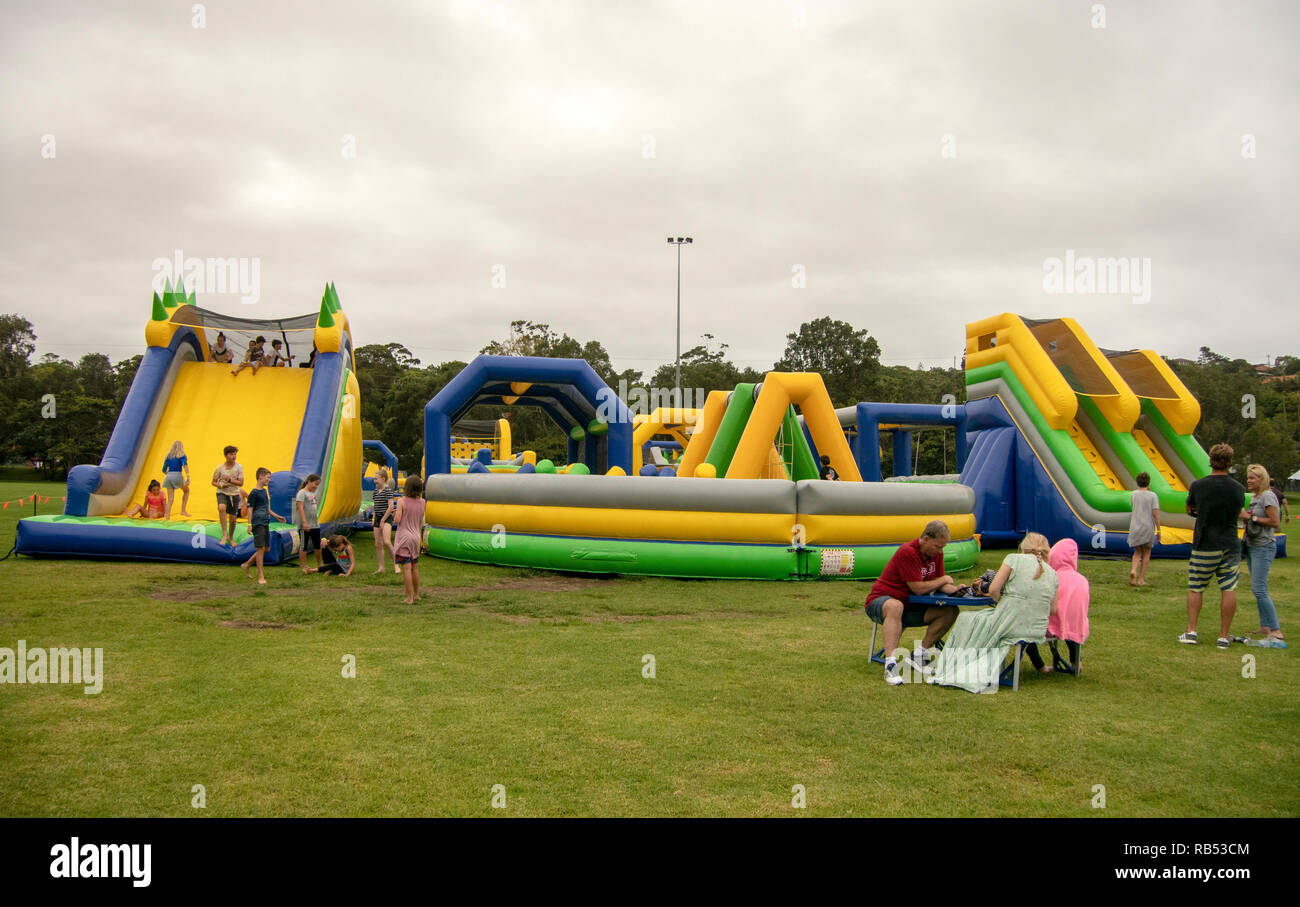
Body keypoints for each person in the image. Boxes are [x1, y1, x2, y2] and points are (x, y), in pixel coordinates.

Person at [930, 533, 1059, 693]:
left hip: (1010, 623)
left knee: (966, 617)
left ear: (1023, 547)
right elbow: (1053, 610)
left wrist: (1001, 603)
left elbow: (993, 589)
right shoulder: (1053, 573)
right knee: (982, 618)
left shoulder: (1013, 559)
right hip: (1036, 627)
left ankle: (954, 664)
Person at [864, 520, 965, 685]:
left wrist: (955, 589)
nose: (940, 551)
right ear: (925, 538)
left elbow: (939, 582)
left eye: (942, 547)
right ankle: (890, 666)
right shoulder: (907, 552)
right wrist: (944, 580)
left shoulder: (936, 555)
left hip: (910, 606)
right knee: (896, 606)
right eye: (937, 546)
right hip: (880, 602)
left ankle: (919, 655)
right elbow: (918, 588)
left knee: (950, 610)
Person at [1179, 443, 1246, 649]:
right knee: (1228, 589)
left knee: (1196, 588)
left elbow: (1190, 509)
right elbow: (1238, 511)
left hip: (1205, 542)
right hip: (1229, 543)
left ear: (1211, 460)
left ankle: (1191, 631)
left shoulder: (1198, 486)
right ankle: (1223, 636)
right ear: (1230, 462)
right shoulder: (1238, 488)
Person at [1024, 538, 1089, 674]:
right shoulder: (1082, 580)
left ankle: (1040, 665)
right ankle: (1076, 661)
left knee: (1023, 628)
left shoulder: (1052, 577)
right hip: (1077, 625)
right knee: (1069, 624)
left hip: (1049, 626)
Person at [1241, 464, 1283, 641]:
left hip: (1264, 546)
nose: (1248, 481)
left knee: (1259, 589)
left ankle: (1276, 630)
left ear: (1261, 479)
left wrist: (1252, 518)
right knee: (1257, 588)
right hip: (1252, 544)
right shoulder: (1255, 497)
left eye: (1252, 478)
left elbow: (1275, 522)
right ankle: (1265, 626)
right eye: (1248, 477)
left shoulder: (1268, 496)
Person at [240, 467, 285, 585]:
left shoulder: (264, 492)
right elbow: (250, 509)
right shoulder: (254, 493)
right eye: (268, 477)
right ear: (260, 476)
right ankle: (261, 576)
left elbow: (267, 508)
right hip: (258, 522)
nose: (269, 480)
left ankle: (246, 565)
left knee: (266, 549)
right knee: (260, 549)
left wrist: (277, 516)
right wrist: (249, 524)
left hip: (265, 521)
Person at [393, 475, 425, 604]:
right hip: (416, 537)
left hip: (404, 537)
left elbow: (397, 520)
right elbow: (420, 520)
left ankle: (409, 597)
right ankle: (416, 594)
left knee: (406, 568)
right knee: (415, 567)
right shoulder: (422, 502)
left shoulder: (402, 501)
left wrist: (396, 512)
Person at [1128, 472, 1160, 586]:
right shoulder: (1153, 495)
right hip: (1147, 527)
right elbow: (1155, 514)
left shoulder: (1133, 494)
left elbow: (1133, 506)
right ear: (1148, 482)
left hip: (1135, 526)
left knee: (1137, 552)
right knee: (1147, 552)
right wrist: (1159, 529)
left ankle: (1133, 570)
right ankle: (1141, 579)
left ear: (1137, 482)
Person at [211, 445, 245, 546]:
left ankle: (231, 537)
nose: (234, 456)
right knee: (221, 508)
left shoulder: (239, 467)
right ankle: (224, 535)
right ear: (226, 455)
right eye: (231, 454)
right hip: (222, 492)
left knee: (233, 518)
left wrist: (230, 480)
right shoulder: (219, 468)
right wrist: (221, 485)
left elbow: (241, 483)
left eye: (235, 454)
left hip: (234, 494)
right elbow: (213, 482)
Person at [371, 467, 401, 575]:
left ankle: (396, 565)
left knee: (387, 542)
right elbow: (375, 506)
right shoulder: (375, 491)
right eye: (374, 479)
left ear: (383, 479)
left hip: (386, 517)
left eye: (376, 479)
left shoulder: (388, 491)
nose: (375, 481)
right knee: (378, 544)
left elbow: (390, 507)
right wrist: (374, 518)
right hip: (378, 518)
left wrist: (383, 520)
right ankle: (381, 567)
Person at [295, 474, 324, 574]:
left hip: (315, 524)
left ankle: (319, 565)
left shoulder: (312, 493)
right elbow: (300, 508)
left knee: (317, 545)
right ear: (309, 482)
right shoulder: (302, 493)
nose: (316, 486)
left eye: (318, 485)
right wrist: (304, 522)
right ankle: (303, 566)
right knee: (304, 545)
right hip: (305, 525)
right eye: (315, 484)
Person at [161, 440, 191, 519]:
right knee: (186, 490)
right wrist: (188, 477)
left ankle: (167, 517)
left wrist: (169, 475)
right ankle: (183, 510)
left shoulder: (168, 456)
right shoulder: (182, 455)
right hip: (177, 475)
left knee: (170, 499)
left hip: (168, 476)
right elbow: (185, 466)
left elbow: (163, 470)